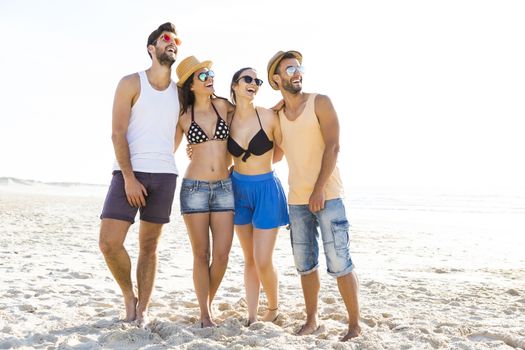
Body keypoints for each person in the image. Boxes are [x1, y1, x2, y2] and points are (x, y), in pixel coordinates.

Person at [267, 50, 362, 341]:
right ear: (276, 78)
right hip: (296, 200)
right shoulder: (278, 116)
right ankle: (312, 320)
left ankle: (354, 325)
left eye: (299, 67)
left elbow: (333, 146)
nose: (297, 72)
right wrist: (271, 114)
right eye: (289, 68)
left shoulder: (320, 102)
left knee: (340, 261)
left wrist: (319, 188)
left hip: (328, 195)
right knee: (305, 263)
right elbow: (274, 156)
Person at [98, 22, 181, 326]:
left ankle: (142, 309)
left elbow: (180, 130)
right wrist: (130, 177)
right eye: (166, 38)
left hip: (164, 175)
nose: (172, 43)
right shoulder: (131, 83)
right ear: (152, 48)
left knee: (149, 246)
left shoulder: (180, 92)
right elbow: (117, 133)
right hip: (128, 174)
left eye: (176, 40)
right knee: (109, 242)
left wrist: (164, 158)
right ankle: (128, 296)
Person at [174, 56, 235, 328]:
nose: (210, 77)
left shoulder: (224, 106)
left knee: (222, 255)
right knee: (201, 254)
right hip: (194, 188)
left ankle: (206, 301)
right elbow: (168, 149)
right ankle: (205, 313)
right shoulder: (184, 117)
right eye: (202, 75)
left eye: (210, 73)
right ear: (190, 85)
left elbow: (250, 118)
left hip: (224, 187)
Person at [228, 67, 289, 326]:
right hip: (237, 190)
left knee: (263, 259)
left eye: (257, 81)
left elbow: (280, 152)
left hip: (266, 190)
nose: (253, 83)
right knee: (250, 258)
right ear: (234, 85)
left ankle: (273, 307)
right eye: (248, 79)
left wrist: (260, 166)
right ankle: (252, 315)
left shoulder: (268, 116)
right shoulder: (227, 117)